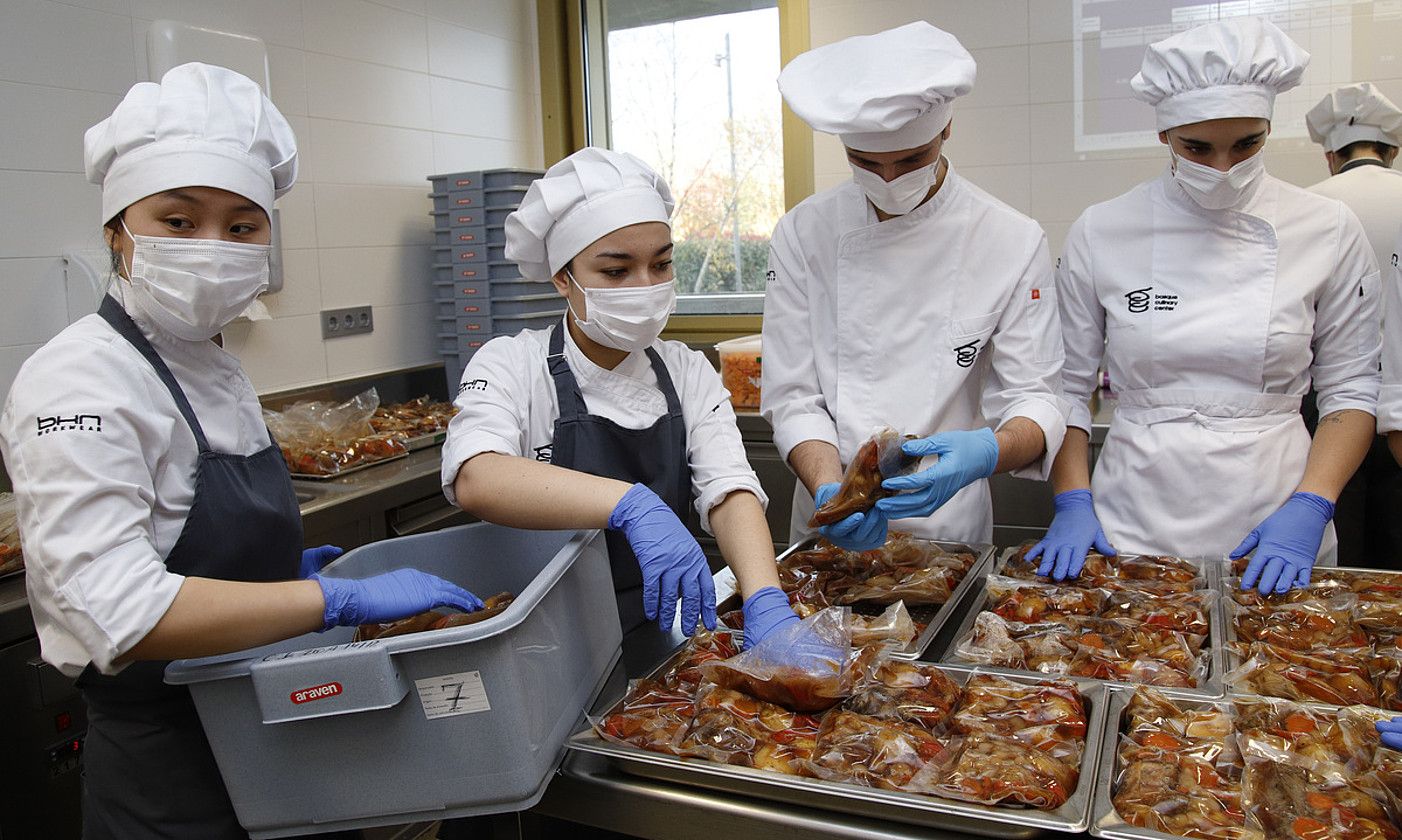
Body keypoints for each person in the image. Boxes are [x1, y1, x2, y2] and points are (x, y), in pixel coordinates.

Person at [0, 63, 481, 839]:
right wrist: (332, 601)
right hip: (173, 779)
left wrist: (268, 582)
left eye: (243, 225)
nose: (215, 247)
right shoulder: (78, 377)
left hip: (273, 740)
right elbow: (117, 610)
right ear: (116, 231)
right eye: (180, 222)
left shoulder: (214, 366)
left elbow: (183, 545)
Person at [1034, 17, 1381, 595]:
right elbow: (1067, 387)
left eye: (1246, 144)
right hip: (1133, 516)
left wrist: (1312, 505)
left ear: (1270, 128)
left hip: (1275, 512)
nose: (1223, 169)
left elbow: (1349, 391)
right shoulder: (1105, 229)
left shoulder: (1326, 227)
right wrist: (1073, 498)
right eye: (1198, 147)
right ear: (1164, 135)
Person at [441, 147, 798, 652]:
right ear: (563, 278)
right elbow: (476, 475)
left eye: (662, 264)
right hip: (540, 636)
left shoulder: (685, 370)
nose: (645, 287)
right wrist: (628, 505)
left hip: (659, 624)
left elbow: (730, 487)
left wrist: (765, 596)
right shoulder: (511, 365)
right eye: (615, 271)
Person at [762, 21, 1069, 552]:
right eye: (865, 163)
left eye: (909, 160)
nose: (888, 180)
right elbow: (794, 398)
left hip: (948, 528)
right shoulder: (802, 233)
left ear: (946, 130)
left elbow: (1037, 398)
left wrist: (990, 451)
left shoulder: (1010, 239)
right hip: (830, 521)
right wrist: (830, 489)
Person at [1303, 83, 1402, 568]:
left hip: (1329, 406)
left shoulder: (1311, 208)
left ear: (1328, 155)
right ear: (1394, 150)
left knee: (1340, 544)